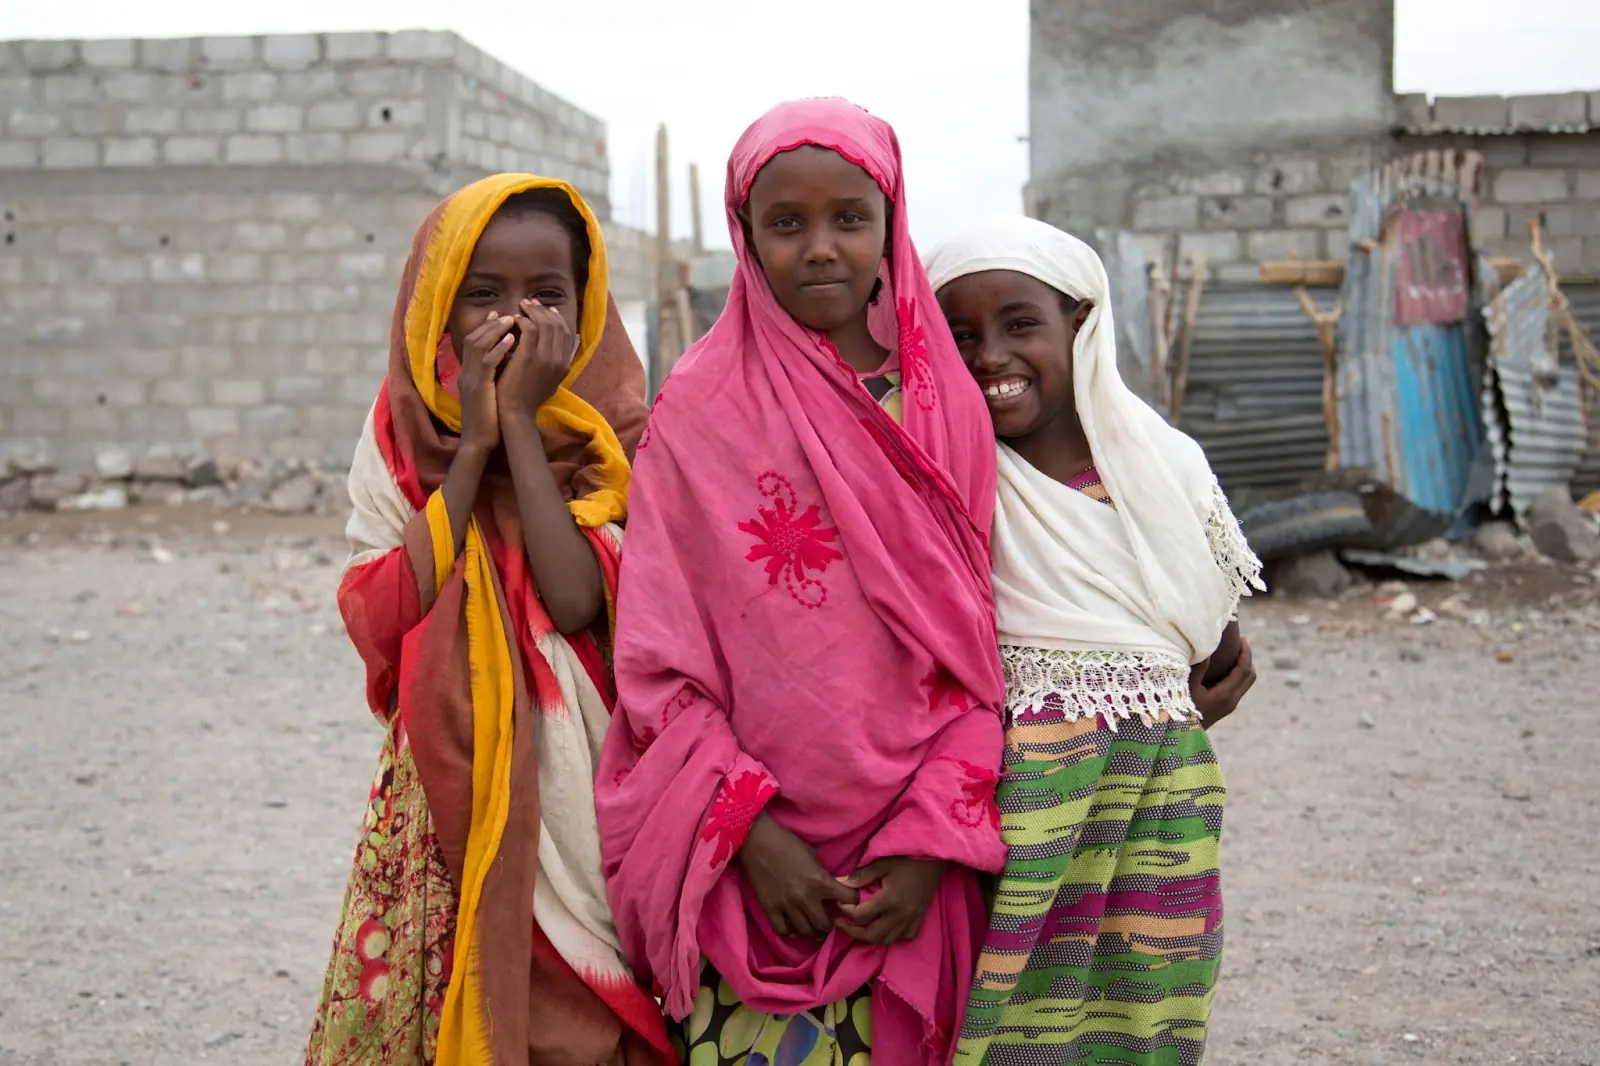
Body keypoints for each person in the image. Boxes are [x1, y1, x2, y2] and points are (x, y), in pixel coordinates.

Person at [594, 99, 1007, 1066]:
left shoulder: (945, 410)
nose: (821, 249)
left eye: (849, 219)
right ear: (744, 237)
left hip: (916, 844)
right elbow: (658, 662)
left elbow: (984, 652)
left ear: (890, 225)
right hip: (757, 860)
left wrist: (927, 838)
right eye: (787, 224)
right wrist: (749, 829)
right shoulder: (697, 413)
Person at [304, 174, 672, 1066]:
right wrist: (471, 446)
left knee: (591, 983)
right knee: (468, 979)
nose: (517, 318)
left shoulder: (610, 425)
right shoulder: (400, 432)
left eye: (547, 295)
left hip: (585, 762)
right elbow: (385, 608)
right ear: (438, 303)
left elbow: (582, 597)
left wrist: (516, 423)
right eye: (484, 295)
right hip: (451, 768)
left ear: (583, 305)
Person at [922, 216, 1265, 1066]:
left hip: (1159, 791)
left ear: (1081, 324)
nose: (990, 355)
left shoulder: (1164, 465)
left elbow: (1213, 643)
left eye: (1020, 324)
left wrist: (1156, 705)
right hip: (1012, 804)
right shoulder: (947, 476)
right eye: (959, 335)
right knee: (1010, 1018)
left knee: (1148, 1002)